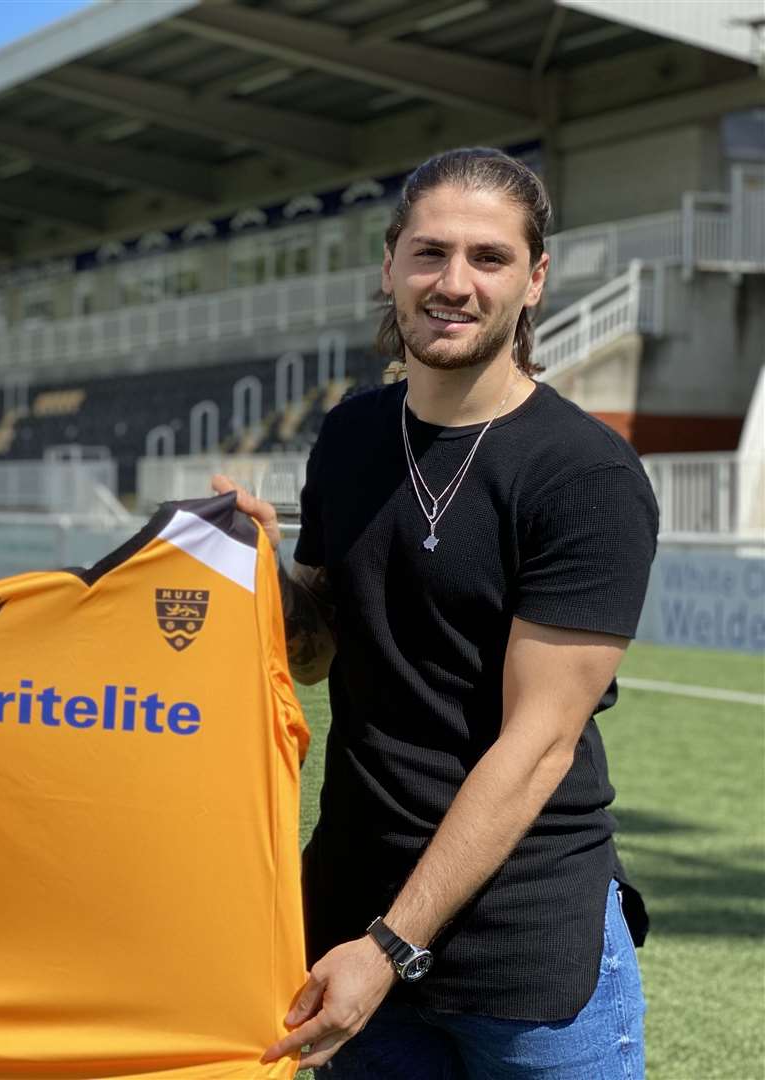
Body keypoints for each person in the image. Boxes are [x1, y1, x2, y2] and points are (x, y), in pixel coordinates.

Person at [217, 147, 657, 1078]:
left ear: (535, 281)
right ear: (390, 266)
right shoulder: (350, 434)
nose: (454, 283)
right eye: (430, 253)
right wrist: (256, 574)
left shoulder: (585, 476)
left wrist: (390, 947)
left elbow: (537, 745)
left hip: (527, 953)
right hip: (351, 922)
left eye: (489, 258)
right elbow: (319, 649)